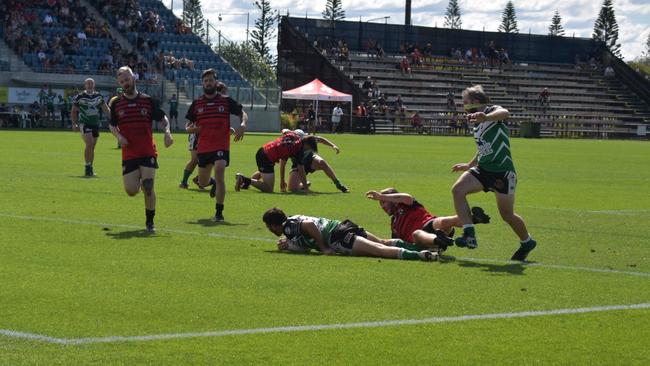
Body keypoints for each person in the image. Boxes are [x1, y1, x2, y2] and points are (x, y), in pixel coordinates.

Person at [451, 85, 536, 261]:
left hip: (502, 173)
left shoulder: (492, 111)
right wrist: (469, 165)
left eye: (465, 102)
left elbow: (505, 112)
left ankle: (527, 242)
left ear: (475, 102)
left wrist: (486, 116)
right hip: (483, 169)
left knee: (507, 215)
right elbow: (483, 148)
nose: (463, 105)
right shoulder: (475, 120)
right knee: (458, 190)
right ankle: (469, 234)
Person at [108, 66, 174, 232]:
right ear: (119, 83)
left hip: (147, 151)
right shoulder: (116, 103)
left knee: (149, 186)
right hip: (129, 153)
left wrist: (167, 132)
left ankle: (150, 222)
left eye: (127, 79)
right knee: (131, 190)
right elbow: (112, 124)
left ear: (134, 78)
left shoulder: (147, 100)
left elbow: (163, 118)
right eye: (122, 81)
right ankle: (139, 182)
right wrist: (119, 136)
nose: (125, 83)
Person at [184, 69, 247, 222]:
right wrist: (194, 129)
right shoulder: (197, 104)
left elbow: (242, 113)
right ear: (202, 84)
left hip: (221, 145)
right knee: (202, 182)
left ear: (215, 82)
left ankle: (219, 213)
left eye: (211, 80)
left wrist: (243, 125)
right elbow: (187, 126)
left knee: (219, 171)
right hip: (204, 147)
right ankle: (212, 184)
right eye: (205, 81)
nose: (208, 83)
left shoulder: (225, 101)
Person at [263, 207, 436, 261]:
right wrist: (290, 245)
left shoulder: (288, 227)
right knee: (383, 242)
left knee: (379, 250)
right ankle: (421, 247)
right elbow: (305, 237)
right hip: (342, 225)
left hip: (337, 236)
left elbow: (308, 226)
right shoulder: (292, 219)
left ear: (273, 225)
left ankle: (420, 255)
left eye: (269, 227)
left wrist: (324, 248)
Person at [366, 188, 490, 253]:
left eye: (383, 202)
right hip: (425, 243)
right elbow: (398, 242)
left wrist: (380, 196)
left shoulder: (407, 204)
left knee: (441, 222)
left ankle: (473, 219)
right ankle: (439, 240)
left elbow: (406, 197)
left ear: (393, 199)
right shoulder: (394, 223)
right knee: (417, 233)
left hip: (431, 224)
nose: (382, 206)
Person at [278, 129, 349, 193]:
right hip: (297, 166)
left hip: (311, 160)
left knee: (322, 162)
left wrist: (333, 145)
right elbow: (282, 164)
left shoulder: (308, 139)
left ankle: (338, 184)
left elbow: (320, 139)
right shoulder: (290, 145)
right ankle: (304, 184)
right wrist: (282, 181)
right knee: (292, 189)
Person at [235, 131, 307, 193]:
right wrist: (306, 188)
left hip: (263, 150)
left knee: (264, 172)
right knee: (269, 188)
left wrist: (282, 181)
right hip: (266, 157)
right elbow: (287, 166)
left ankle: (244, 184)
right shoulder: (296, 147)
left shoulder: (289, 138)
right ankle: (243, 179)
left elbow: (282, 164)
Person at [71, 78, 110, 177]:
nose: (90, 85)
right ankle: (87, 167)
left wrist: (113, 119)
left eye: (91, 83)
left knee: (92, 147)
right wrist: (74, 124)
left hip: (95, 124)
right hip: (84, 123)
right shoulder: (80, 97)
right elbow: (73, 111)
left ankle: (90, 168)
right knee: (89, 143)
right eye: (88, 83)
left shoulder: (98, 96)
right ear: (85, 85)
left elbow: (105, 109)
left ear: (94, 85)